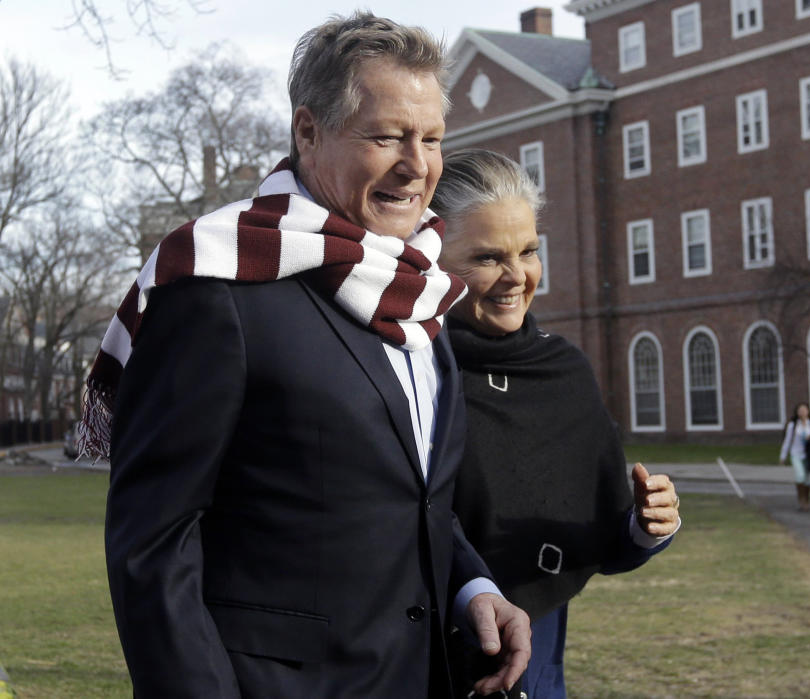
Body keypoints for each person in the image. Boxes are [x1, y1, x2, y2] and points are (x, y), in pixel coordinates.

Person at [84, 14, 530, 698]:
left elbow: (409, 498)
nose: (418, 165)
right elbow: (152, 545)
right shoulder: (217, 285)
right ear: (308, 131)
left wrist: (471, 584)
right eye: (386, 136)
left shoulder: (422, 291)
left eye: (432, 139)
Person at [428, 149, 680, 698]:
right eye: (488, 258)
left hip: (539, 665)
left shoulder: (563, 369)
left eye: (529, 251)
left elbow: (607, 535)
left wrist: (646, 522)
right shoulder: (412, 368)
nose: (516, 276)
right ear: (434, 259)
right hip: (424, 663)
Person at [779, 402, 810, 511]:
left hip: (809, 455)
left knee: (808, 478)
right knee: (800, 475)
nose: (802, 412)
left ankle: (807, 499)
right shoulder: (792, 425)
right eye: (800, 410)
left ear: (808, 411)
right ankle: (801, 500)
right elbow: (787, 441)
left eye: (804, 410)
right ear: (797, 412)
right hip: (796, 453)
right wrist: (783, 455)